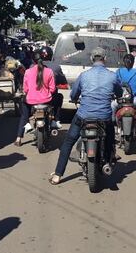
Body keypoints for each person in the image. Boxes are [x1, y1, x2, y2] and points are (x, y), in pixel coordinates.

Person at [49, 47, 121, 185]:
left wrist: (75, 98)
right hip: (104, 118)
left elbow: (74, 94)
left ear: (91, 59)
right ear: (105, 59)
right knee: (111, 135)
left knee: (68, 142)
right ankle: (109, 156)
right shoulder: (112, 76)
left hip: (83, 116)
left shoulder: (84, 75)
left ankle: (58, 174)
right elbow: (119, 93)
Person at [15, 50, 56, 146]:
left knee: (24, 116)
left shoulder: (28, 72)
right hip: (46, 100)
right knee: (57, 99)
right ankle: (54, 121)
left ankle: (18, 138)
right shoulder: (49, 71)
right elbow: (53, 89)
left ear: (32, 60)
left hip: (31, 101)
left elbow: (25, 89)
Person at [38, 46, 67, 129]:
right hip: (51, 97)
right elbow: (63, 81)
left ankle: (27, 122)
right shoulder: (56, 67)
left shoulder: (32, 66)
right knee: (59, 97)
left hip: (35, 97)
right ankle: (56, 119)